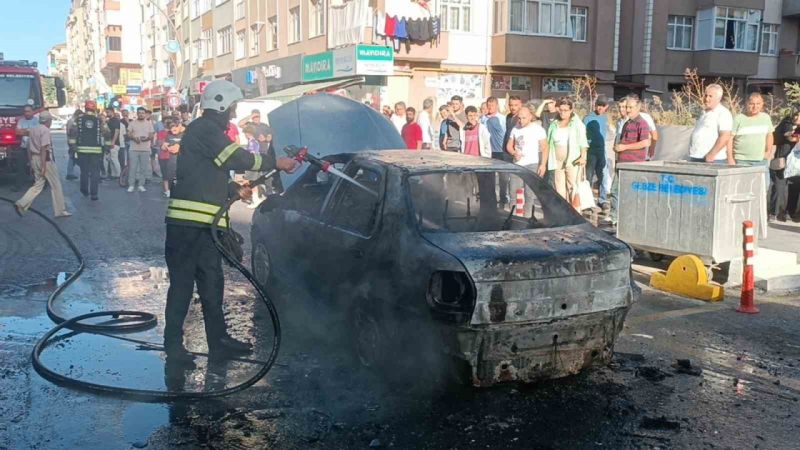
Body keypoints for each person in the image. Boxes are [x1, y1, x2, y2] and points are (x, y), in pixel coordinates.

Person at [163, 79, 297, 363]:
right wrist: (276, 162)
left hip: (205, 228)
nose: (234, 114)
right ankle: (173, 347)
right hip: (187, 228)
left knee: (212, 284)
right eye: (233, 107)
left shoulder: (206, 131)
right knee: (182, 287)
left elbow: (206, 176)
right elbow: (236, 158)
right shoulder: (205, 129)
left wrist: (233, 190)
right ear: (222, 104)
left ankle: (219, 341)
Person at [13, 111, 71, 218]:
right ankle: (60, 210)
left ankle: (21, 203)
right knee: (56, 185)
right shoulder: (45, 131)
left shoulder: (33, 129)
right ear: (48, 121)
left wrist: (31, 162)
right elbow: (44, 149)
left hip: (34, 159)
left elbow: (29, 147)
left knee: (38, 184)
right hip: (45, 160)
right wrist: (44, 165)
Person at [608, 96, 652, 224]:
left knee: (630, 192)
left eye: (630, 107)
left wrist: (624, 147)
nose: (627, 110)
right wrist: (618, 148)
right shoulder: (627, 123)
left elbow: (645, 142)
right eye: (626, 107)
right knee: (615, 190)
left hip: (633, 163)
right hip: (622, 162)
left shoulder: (642, 123)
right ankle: (614, 216)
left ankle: (631, 218)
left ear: (638, 108)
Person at [507, 106, 548, 216]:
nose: (521, 121)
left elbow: (544, 148)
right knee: (513, 193)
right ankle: (513, 217)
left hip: (532, 165)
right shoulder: (515, 128)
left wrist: (543, 165)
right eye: (519, 118)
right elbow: (509, 146)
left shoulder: (538, 129)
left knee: (529, 194)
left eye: (524, 118)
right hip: (517, 165)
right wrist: (513, 153)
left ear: (531, 117)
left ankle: (528, 217)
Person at [545, 98, 588, 201]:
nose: (563, 113)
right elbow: (549, 142)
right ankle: (563, 213)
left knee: (572, 188)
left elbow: (583, 141)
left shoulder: (577, 124)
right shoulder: (554, 124)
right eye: (561, 110)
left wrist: (583, 157)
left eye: (566, 110)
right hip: (557, 162)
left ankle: (575, 213)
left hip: (573, 161)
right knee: (559, 190)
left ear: (571, 110)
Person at [730, 92, 774, 191]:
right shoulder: (739, 119)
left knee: (761, 188)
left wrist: (768, 151)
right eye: (752, 104)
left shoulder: (765, 118)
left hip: (760, 160)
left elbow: (769, 135)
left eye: (758, 104)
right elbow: (729, 139)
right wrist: (730, 157)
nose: (755, 106)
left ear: (762, 104)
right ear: (747, 104)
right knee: (741, 188)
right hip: (741, 160)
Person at [688, 84, 733, 164]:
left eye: (710, 96)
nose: (706, 98)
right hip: (697, 157)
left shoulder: (723, 113)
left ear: (718, 98)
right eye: (705, 95)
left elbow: (725, 136)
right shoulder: (704, 112)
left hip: (713, 160)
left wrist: (712, 154)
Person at [75, 100, 104, 200]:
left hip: (82, 150)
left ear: (85, 108)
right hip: (96, 150)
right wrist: (107, 147)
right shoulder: (99, 120)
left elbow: (73, 132)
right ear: (95, 108)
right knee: (95, 172)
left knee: (84, 171)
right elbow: (107, 133)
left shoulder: (78, 119)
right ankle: (94, 194)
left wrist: (72, 148)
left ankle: (84, 190)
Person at [584, 97, 610, 207]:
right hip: (590, 151)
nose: (600, 108)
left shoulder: (605, 118)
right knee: (588, 177)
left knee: (602, 176)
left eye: (603, 106)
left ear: (606, 107)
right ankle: (588, 202)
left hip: (602, 151)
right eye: (598, 105)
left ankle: (602, 200)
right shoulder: (588, 118)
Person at [499, 96, 523, 207]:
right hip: (506, 150)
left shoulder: (522, 117)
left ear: (520, 104)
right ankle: (504, 200)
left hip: (517, 151)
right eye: (511, 105)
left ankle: (517, 205)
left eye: (515, 105)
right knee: (504, 178)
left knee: (516, 179)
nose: (513, 107)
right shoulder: (508, 116)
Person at [127, 107, 155, 192]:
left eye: (143, 113)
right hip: (133, 149)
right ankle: (131, 185)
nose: (141, 114)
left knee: (143, 168)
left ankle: (141, 185)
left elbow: (151, 134)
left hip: (145, 149)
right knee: (133, 167)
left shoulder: (149, 123)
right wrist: (134, 138)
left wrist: (147, 138)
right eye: (139, 113)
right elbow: (128, 133)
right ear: (137, 114)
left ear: (145, 114)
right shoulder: (132, 123)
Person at [13, 105, 40, 191]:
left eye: (28, 111)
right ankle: (18, 185)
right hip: (24, 148)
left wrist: (25, 131)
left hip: (35, 148)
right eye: (25, 111)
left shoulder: (37, 120)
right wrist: (30, 131)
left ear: (32, 111)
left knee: (36, 166)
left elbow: (38, 132)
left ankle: (39, 184)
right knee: (20, 166)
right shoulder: (21, 120)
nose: (26, 113)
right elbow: (17, 132)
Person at [159, 119, 183, 198]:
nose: (173, 129)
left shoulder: (184, 135)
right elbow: (163, 147)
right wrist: (166, 147)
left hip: (182, 160)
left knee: (180, 176)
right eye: (171, 127)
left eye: (175, 127)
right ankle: (169, 191)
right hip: (171, 160)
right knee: (169, 176)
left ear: (179, 126)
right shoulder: (169, 135)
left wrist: (179, 147)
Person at [103, 108, 122, 180]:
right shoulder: (109, 121)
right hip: (108, 142)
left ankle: (119, 174)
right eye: (106, 112)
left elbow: (117, 132)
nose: (107, 114)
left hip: (115, 143)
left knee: (114, 159)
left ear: (112, 112)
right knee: (110, 159)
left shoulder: (115, 120)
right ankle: (114, 174)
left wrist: (113, 142)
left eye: (108, 112)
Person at [65, 109, 82, 180]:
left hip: (71, 141)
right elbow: (71, 132)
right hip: (74, 142)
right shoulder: (74, 122)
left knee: (72, 157)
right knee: (73, 157)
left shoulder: (71, 120)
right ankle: (70, 173)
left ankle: (70, 172)